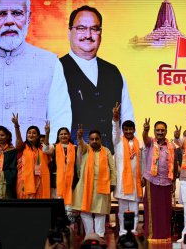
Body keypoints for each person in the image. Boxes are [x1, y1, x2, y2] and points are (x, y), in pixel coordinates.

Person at [0, 0, 70, 143]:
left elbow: (60, 123)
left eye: (17, 13)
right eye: (1, 14)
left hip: (34, 163)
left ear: (28, 18)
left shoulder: (50, 64)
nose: (9, 21)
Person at [58, 5, 134, 153]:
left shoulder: (114, 72)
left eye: (94, 29)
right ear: (69, 32)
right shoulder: (56, 70)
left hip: (110, 160)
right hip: (72, 161)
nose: (88, 35)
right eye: (81, 28)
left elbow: (127, 120)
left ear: (100, 33)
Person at [71, 125, 116, 238]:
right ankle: (90, 235)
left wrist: (113, 183)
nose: (94, 141)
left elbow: (113, 169)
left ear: (100, 139)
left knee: (100, 212)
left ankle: (100, 235)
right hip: (85, 186)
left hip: (102, 185)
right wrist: (79, 137)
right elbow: (81, 144)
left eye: (97, 139)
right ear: (89, 140)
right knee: (85, 211)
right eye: (92, 139)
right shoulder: (86, 149)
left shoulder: (106, 151)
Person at [142, 119, 176, 241]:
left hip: (167, 181)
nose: (160, 132)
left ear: (166, 131)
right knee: (152, 209)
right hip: (152, 181)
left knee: (165, 209)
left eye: (162, 130)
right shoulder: (150, 142)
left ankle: (165, 235)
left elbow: (175, 165)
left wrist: (174, 182)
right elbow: (145, 138)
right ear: (154, 131)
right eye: (158, 130)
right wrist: (145, 131)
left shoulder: (171, 146)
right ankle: (152, 235)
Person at [112, 102, 143, 236]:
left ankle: (134, 230)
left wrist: (142, 178)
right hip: (122, 184)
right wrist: (115, 119)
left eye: (131, 129)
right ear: (123, 130)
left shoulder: (139, 143)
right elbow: (115, 130)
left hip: (136, 183)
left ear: (134, 130)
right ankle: (123, 232)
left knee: (135, 209)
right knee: (123, 210)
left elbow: (143, 162)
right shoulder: (118, 141)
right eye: (126, 129)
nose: (129, 131)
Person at [12, 113, 51, 199]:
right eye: (29, 133)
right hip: (24, 180)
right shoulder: (22, 147)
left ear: (38, 136)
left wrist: (47, 133)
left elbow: (46, 148)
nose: (31, 135)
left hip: (40, 179)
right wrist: (16, 126)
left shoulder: (42, 148)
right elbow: (18, 139)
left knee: (38, 203)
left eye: (34, 133)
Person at [42, 122, 78, 210]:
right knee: (57, 208)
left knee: (69, 209)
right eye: (61, 134)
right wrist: (47, 133)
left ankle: (69, 224)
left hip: (70, 182)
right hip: (56, 183)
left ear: (69, 136)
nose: (63, 136)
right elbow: (45, 150)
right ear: (58, 137)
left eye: (65, 134)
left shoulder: (75, 148)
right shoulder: (54, 147)